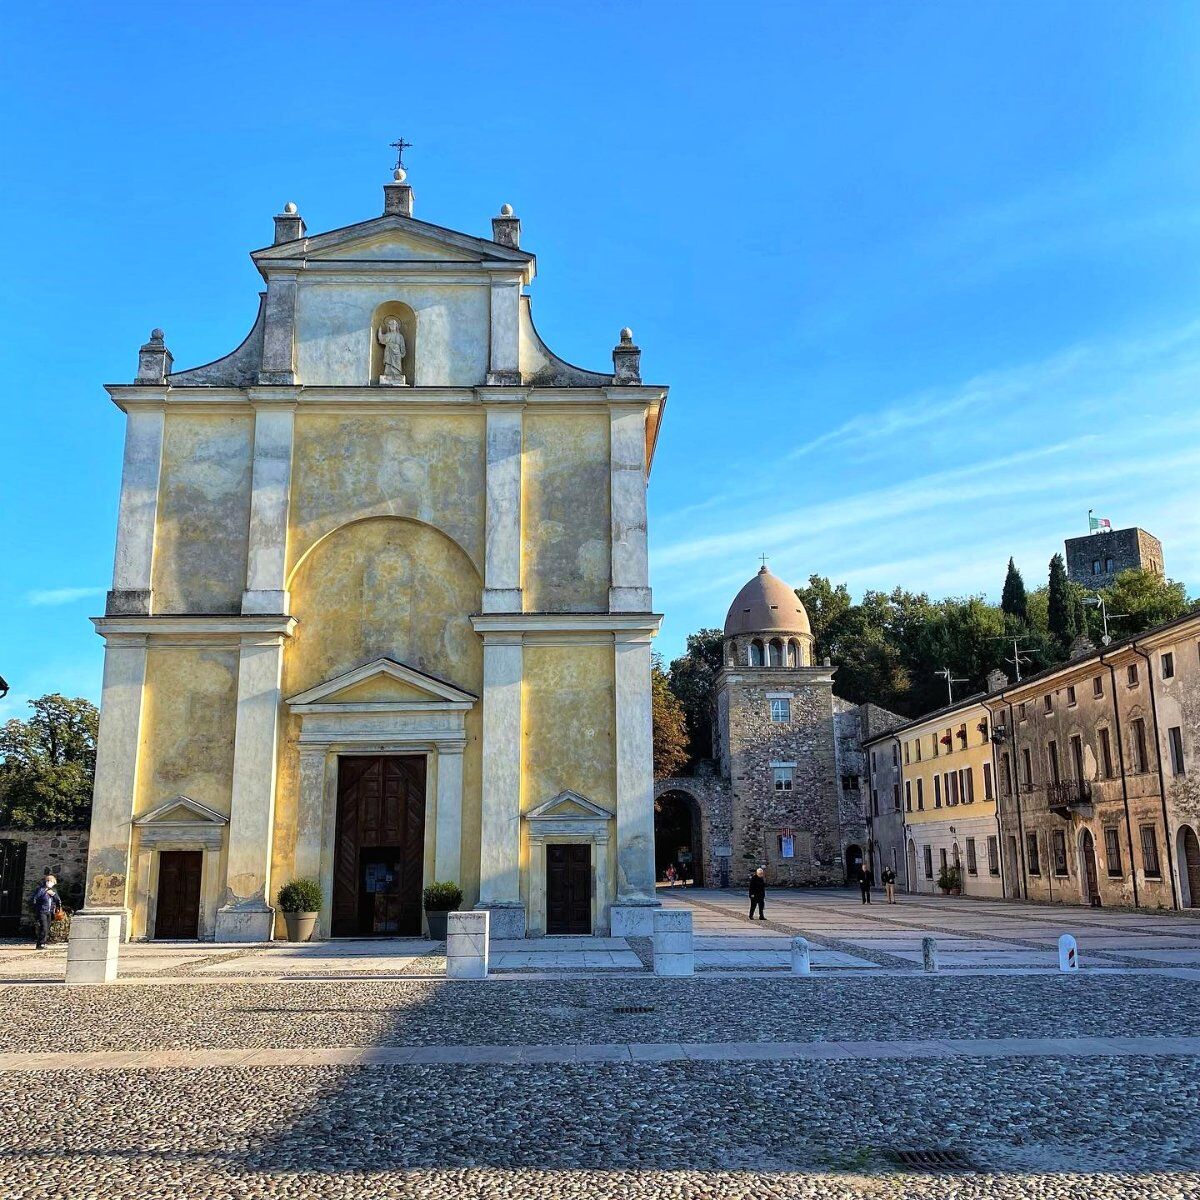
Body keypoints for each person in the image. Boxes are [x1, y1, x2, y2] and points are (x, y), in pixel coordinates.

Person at [32, 875, 62, 950]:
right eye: (48, 881)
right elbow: (35, 898)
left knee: (47, 928)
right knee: (44, 927)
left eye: (51, 881)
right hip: (42, 911)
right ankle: (40, 944)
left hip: (50, 911)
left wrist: (53, 894)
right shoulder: (41, 889)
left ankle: (43, 943)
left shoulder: (53, 890)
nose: (49, 882)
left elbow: (58, 900)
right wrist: (44, 892)